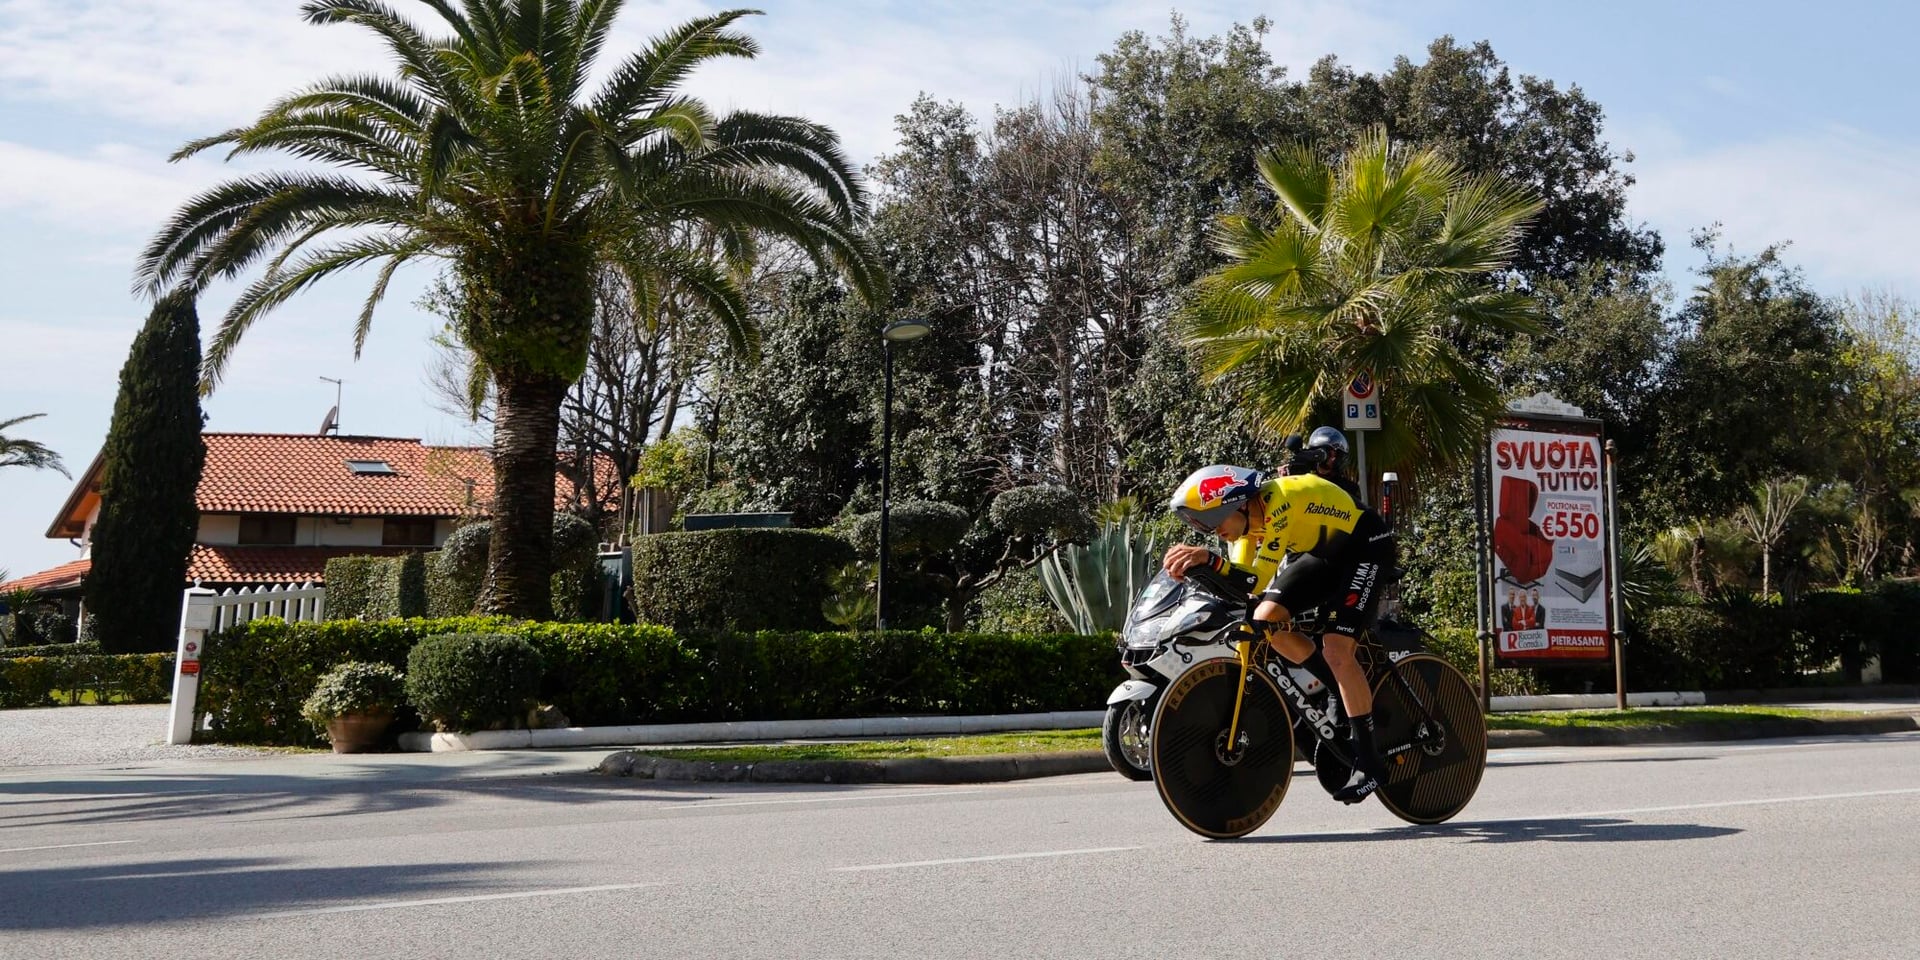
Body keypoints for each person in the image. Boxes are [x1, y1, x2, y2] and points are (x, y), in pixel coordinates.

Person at [1162, 463, 1396, 803]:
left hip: (1366, 547)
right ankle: (1338, 691)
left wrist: (1209, 561)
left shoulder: (1278, 503)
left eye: (1214, 521)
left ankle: (1370, 762)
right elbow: (1245, 587)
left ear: (1236, 504)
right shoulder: (1244, 528)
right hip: (1326, 555)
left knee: (1336, 648)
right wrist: (1200, 570)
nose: (1214, 533)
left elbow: (1254, 579)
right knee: (1268, 621)